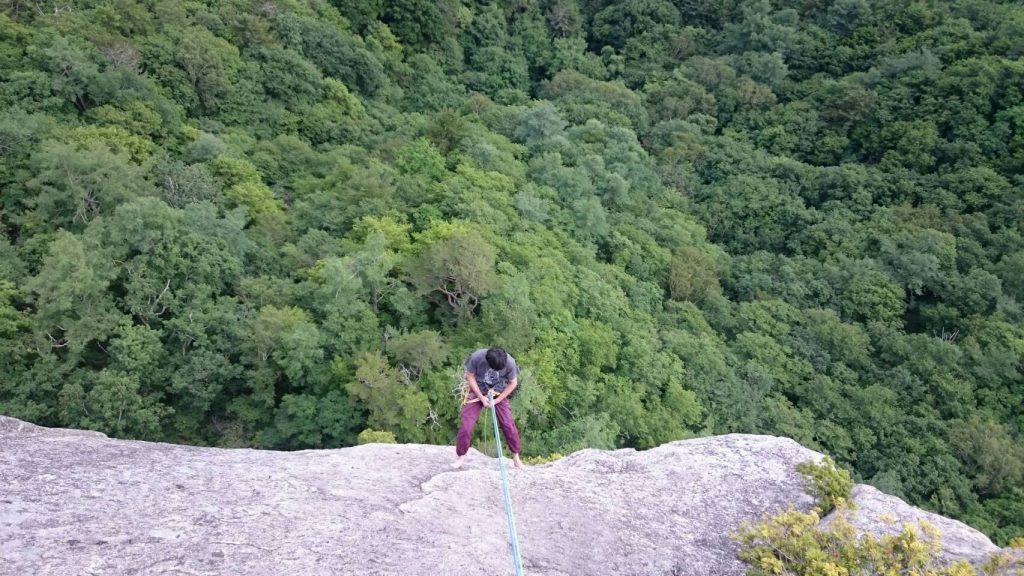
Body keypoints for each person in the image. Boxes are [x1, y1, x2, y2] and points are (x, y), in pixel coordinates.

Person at [453, 347, 524, 469]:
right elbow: (470, 376)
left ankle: (516, 456)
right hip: (478, 390)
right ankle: (461, 456)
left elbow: (513, 383)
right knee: (466, 426)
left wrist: (498, 400)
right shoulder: (477, 357)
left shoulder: (510, 363)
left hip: (498, 392)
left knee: (508, 424)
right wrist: (481, 397)